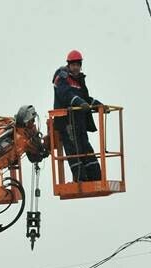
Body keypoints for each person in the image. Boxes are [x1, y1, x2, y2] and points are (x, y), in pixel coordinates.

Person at [52, 49, 102, 183]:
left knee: (85, 147)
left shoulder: (79, 80)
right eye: (73, 64)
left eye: (78, 65)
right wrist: (80, 103)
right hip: (67, 121)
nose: (76, 67)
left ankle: (96, 177)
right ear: (68, 65)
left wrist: (98, 105)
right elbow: (66, 95)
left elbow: (84, 97)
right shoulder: (61, 77)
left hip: (79, 122)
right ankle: (82, 179)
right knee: (73, 150)